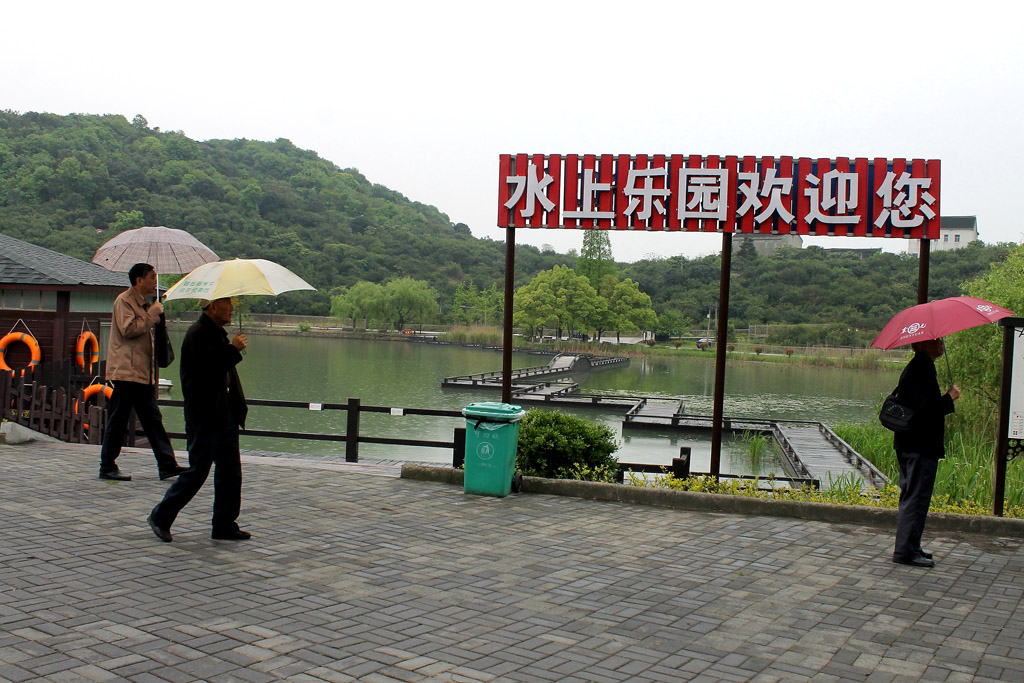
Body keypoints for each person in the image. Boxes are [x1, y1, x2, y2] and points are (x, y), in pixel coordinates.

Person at [147, 297, 250, 542]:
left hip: (224, 413)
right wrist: (233, 349)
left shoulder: (216, 333)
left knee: (230, 472)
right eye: (228, 304)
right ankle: (161, 516)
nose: (232, 309)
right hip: (205, 415)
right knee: (197, 471)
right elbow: (208, 372)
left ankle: (224, 524)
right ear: (213, 307)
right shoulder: (198, 334)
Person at [99, 263, 186, 481]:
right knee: (119, 420)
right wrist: (152, 316)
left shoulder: (144, 303)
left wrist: (155, 315)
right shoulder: (124, 301)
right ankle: (107, 465)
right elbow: (128, 330)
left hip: (142, 373)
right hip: (127, 372)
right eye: (152, 277)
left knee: (152, 419)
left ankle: (167, 464)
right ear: (140, 280)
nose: (155, 281)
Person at [892, 337, 959, 568]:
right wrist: (949, 398)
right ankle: (906, 552)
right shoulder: (921, 370)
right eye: (936, 339)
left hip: (910, 443)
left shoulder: (919, 367)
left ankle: (911, 546)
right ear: (923, 344)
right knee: (916, 498)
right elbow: (926, 411)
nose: (941, 342)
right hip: (919, 445)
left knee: (912, 496)